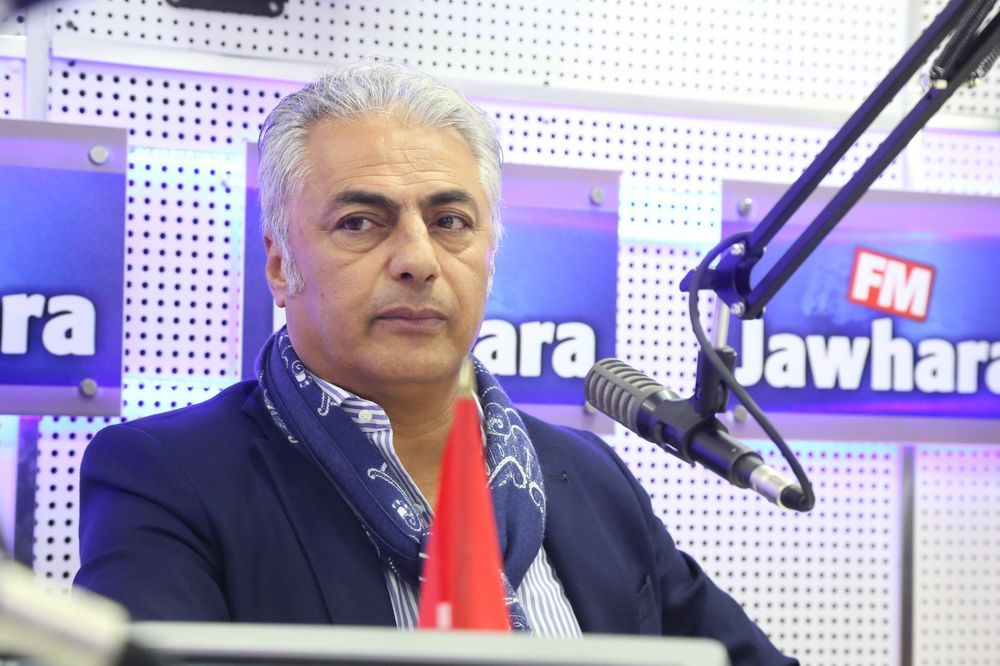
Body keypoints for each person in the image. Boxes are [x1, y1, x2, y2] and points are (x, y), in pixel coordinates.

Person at [75, 61, 797, 665]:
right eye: (361, 222)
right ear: (278, 263)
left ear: (489, 254)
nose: (418, 259)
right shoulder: (168, 475)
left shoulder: (589, 474)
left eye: (450, 222)